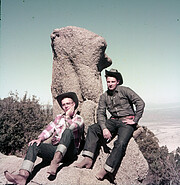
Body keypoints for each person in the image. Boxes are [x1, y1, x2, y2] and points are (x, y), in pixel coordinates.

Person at [75, 68, 145, 181]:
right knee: (93, 128)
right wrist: (104, 129)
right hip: (112, 121)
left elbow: (140, 103)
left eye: (113, 81)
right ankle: (88, 158)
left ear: (117, 81)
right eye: (108, 82)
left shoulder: (125, 90)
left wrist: (135, 120)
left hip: (126, 122)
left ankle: (107, 169)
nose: (110, 84)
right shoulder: (104, 96)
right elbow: (100, 113)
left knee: (121, 143)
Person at [4, 92, 84, 185]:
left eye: (68, 103)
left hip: (70, 152)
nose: (65, 106)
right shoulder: (58, 118)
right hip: (56, 149)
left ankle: (55, 162)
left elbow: (71, 128)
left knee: (67, 131)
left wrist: (67, 117)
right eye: (63, 104)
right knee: (34, 145)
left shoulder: (79, 118)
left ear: (73, 104)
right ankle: (22, 176)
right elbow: (48, 130)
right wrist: (40, 139)